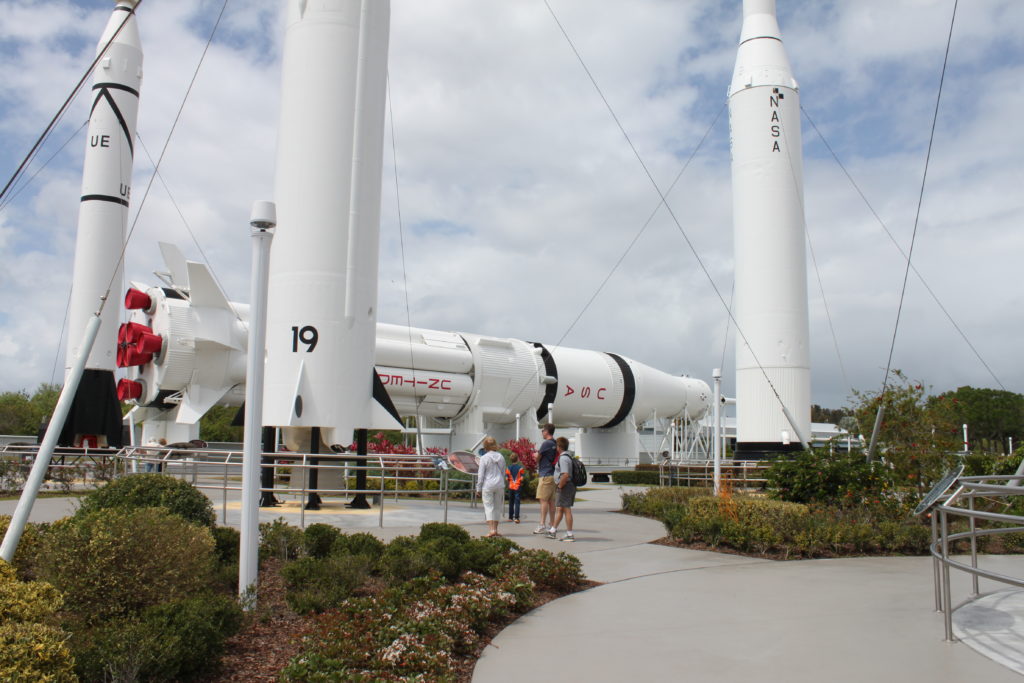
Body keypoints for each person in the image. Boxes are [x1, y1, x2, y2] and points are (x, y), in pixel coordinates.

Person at [476, 436, 506, 537]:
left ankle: (491, 530)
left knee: (489, 507)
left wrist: (478, 488)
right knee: (497, 507)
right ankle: (496, 529)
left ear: (485, 446)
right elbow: (503, 472)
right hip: (499, 484)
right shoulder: (501, 457)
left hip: (487, 485)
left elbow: (481, 475)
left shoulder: (484, 458)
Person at [549, 436, 576, 542]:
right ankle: (553, 530)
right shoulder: (567, 457)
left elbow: (565, 475)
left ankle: (569, 534)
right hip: (567, 485)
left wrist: (559, 486)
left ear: (559, 446)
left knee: (566, 509)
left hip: (565, 486)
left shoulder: (563, 458)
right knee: (560, 508)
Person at [532, 423, 558, 536]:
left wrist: (534, 456)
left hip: (545, 474)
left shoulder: (546, 443)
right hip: (553, 475)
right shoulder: (554, 443)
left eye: (543, 430)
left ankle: (542, 524)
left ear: (547, 431)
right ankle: (552, 524)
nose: (542, 432)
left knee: (543, 500)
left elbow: (538, 458)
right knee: (551, 501)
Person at [505, 453, 524, 523]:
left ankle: (510, 517)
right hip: (517, 487)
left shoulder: (508, 468)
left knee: (511, 502)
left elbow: (506, 478)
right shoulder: (520, 468)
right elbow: (522, 478)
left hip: (511, 486)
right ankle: (516, 518)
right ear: (517, 459)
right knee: (517, 502)